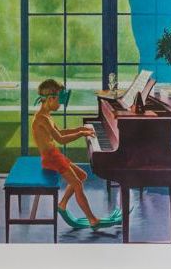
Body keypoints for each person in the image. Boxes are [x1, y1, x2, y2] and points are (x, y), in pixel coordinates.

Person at [31, 79, 120, 230]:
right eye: (59, 100)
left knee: (82, 176)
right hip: (51, 158)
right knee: (78, 184)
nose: (60, 104)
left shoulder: (46, 116)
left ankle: (63, 204)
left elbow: (60, 132)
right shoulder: (41, 119)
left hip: (54, 155)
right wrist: (80, 134)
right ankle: (92, 220)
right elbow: (61, 139)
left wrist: (81, 129)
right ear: (51, 99)